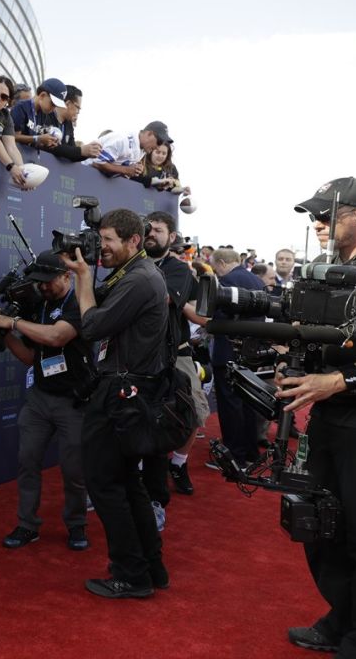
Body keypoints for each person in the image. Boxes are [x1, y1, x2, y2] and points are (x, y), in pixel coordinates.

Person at [280, 177, 356, 658]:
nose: (319, 224)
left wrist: (339, 381)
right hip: (328, 416)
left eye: (328, 215)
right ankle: (342, 618)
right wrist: (292, 363)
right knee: (319, 526)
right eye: (315, 217)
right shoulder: (321, 267)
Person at [61, 209, 169, 599]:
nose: (100, 248)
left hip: (119, 394)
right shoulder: (134, 274)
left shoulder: (140, 279)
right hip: (127, 392)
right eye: (100, 239)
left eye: (107, 240)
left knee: (106, 484)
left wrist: (83, 278)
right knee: (127, 482)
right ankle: (151, 568)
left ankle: (132, 574)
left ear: (133, 242)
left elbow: (91, 326)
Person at [0, 251, 96, 552]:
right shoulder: (37, 306)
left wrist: (14, 322)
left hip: (75, 400)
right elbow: (30, 358)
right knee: (27, 461)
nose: (44, 288)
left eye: (49, 282)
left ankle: (76, 525)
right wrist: (3, 331)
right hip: (40, 398)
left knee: (74, 471)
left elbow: (57, 337)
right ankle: (27, 525)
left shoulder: (80, 303)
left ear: (66, 276)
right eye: (39, 283)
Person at [140, 212, 201, 503]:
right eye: (147, 229)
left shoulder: (177, 269)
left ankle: (177, 463)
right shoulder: (130, 265)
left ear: (172, 237)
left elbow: (163, 299)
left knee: (194, 412)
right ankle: (140, 471)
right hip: (137, 354)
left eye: (158, 230)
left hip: (176, 354)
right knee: (136, 413)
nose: (151, 233)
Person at [200, 248, 265, 466]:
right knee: (247, 403)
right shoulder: (256, 280)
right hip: (252, 352)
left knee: (231, 406)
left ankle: (234, 455)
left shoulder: (226, 281)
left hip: (228, 351)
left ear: (219, 263)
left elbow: (217, 316)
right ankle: (250, 452)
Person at [12, 79, 102, 162]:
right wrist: (38, 139)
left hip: (29, 159)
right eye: (53, 104)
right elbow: (12, 137)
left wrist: (47, 143)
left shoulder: (44, 114)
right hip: (14, 158)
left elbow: (37, 142)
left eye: (56, 105)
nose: (54, 108)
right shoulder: (21, 107)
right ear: (42, 95)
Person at [88, 121, 173, 180]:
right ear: (149, 134)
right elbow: (97, 162)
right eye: (159, 142)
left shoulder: (142, 148)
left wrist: (135, 170)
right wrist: (126, 170)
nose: (158, 147)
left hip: (98, 180)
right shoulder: (123, 140)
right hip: (83, 174)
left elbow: (121, 168)